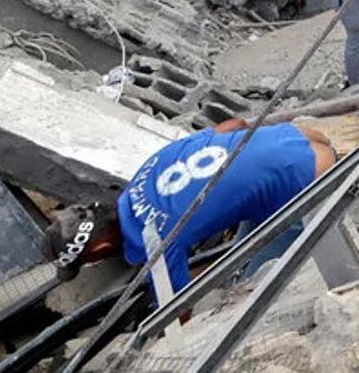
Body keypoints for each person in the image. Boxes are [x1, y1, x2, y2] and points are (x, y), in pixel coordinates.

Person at [114, 118, 337, 294]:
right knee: (243, 244)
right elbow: (236, 124)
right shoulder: (149, 168)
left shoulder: (157, 241)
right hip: (294, 134)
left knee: (253, 284)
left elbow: (177, 312)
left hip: (310, 177)